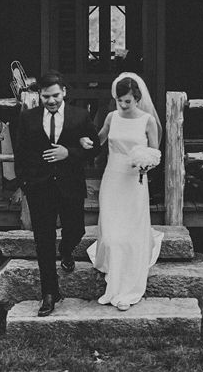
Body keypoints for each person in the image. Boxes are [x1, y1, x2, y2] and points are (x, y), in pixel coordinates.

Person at [14, 70, 98, 316]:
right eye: (46, 96)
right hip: (39, 188)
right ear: (39, 95)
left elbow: (95, 149)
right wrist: (25, 184)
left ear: (64, 93)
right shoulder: (28, 118)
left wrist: (70, 153)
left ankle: (67, 250)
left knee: (76, 229)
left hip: (70, 186)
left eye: (55, 96)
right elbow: (20, 153)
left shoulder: (80, 116)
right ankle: (49, 293)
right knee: (43, 242)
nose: (51, 101)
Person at [83, 72, 164, 311]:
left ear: (137, 98)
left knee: (129, 232)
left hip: (134, 181)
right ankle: (112, 281)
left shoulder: (148, 121)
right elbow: (98, 142)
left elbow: (155, 153)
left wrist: (145, 163)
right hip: (112, 178)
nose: (124, 106)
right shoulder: (111, 117)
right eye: (120, 101)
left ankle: (126, 286)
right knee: (110, 232)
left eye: (128, 101)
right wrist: (87, 144)